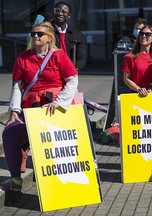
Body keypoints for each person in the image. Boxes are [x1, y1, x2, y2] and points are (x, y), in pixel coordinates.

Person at [0, 21, 78, 191]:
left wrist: (58, 103)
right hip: (32, 109)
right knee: (9, 134)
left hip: (56, 108)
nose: (35, 36)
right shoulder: (23, 57)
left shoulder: (59, 56)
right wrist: (14, 111)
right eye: (33, 34)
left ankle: (66, 184)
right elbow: (17, 85)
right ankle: (15, 181)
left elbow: (72, 81)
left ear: (49, 38)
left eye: (40, 34)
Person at [122, 25, 152, 97]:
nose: (144, 36)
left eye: (148, 34)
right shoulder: (130, 56)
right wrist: (139, 89)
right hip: (136, 95)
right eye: (141, 34)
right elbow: (126, 79)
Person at [52, 1, 86, 71]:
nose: (60, 13)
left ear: (69, 15)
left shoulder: (77, 34)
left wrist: (75, 70)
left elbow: (81, 58)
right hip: (52, 72)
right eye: (57, 10)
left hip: (70, 72)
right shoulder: (46, 31)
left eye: (64, 11)